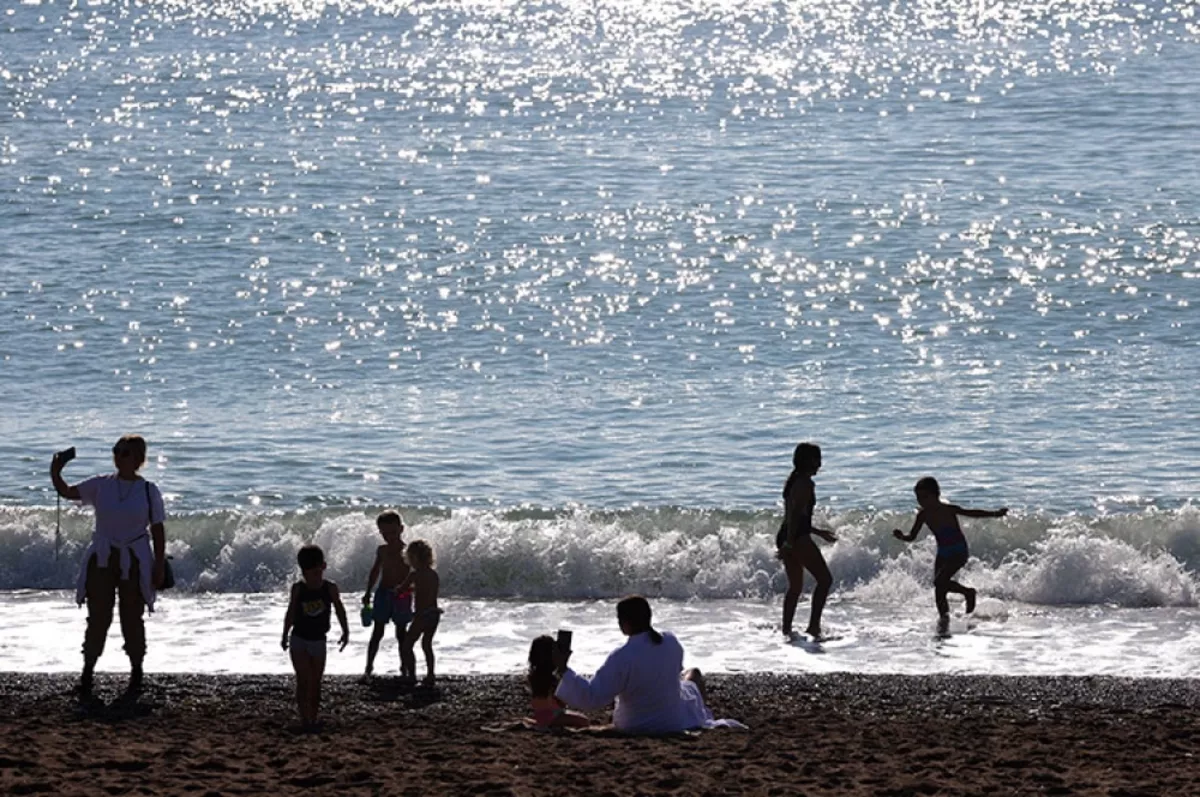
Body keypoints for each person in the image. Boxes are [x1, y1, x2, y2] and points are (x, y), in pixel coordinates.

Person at [50, 435, 167, 699]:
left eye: (124, 452)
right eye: (116, 451)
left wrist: (159, 565)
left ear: (138, 458)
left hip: (135, 558)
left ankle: (136, 673)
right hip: (102, 556)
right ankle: (87, 674)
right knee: (98, 617)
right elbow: (67, 492)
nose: (118, 456)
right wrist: (55, 472)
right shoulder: (101, 485)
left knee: (132, 617)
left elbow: (158, 531)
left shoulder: (149, 490)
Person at [552, 596, 716, 735]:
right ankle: (702, 710)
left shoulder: (622, 656)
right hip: (672, 722)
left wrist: (563, 668)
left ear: (625, 623)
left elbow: (592, 697)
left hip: (633, 724)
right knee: (693, 674)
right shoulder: (671, 641)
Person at [892, 476, 1007, 629]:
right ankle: (944, 621)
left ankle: (968, 593)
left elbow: (972, 513)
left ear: (936, 495)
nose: (921, 501)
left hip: (958, 551)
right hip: (943, 553)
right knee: (939, 590)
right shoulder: (923, 515)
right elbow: (912, 536)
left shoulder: (947, 509)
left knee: (939, 582)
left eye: (925, 497)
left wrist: (994, 514)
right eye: (918, 497)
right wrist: (902, 537)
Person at [282, 544, 349, 731]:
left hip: (319, 640)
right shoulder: (298, 589)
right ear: (303, 572)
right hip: (299, 639)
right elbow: (291, 613)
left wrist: (345, 630)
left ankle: (313, 717)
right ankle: (305, 719)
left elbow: (339, 610)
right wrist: (284, 634)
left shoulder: (330, 588)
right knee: (303, 679)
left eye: (318, 572)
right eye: (310, 573)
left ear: (324, 566)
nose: (315, 577)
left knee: (316, 681)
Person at [777, 442, 837, 639]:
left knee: (795, 587)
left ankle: (786, 629)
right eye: (817, 459)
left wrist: (818, 532)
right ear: (809, 461)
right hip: (796, 537)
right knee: (825, 580)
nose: (820, 464)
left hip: (788, 534)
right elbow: (795, 516)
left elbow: (796, 518)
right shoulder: (806, 484)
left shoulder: (794, 481)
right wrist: (790, 543)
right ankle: (813, 626)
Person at [361, 511, 413, 681]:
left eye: (393, 532)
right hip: (383, 593)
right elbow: (375, 571)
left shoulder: (407, 551)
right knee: (377, 632)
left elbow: (414, 575)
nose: (389, 537)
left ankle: (405, 668)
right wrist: (368, 591)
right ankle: (368, 667)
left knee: (401, 634)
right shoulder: (382, 550)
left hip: (402, 595)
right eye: (384, 533)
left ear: (401, 529)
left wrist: (415, 593)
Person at [397, 539, 441, 686]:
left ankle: (412, 675)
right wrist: (413, 590)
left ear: (414, 558)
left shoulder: (414, 575)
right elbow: (428, 592)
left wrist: (397, 592)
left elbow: (401, 590)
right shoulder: (433, 575)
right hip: (434, 613)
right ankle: (430, 675)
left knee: (407, 645)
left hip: (422, 615)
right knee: (426, 645)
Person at [527, 636, 590, 729]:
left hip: (540, 715)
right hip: (553, 716)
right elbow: (561, 702)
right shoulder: (551, 679)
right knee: (584, 721)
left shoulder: (534, 677)